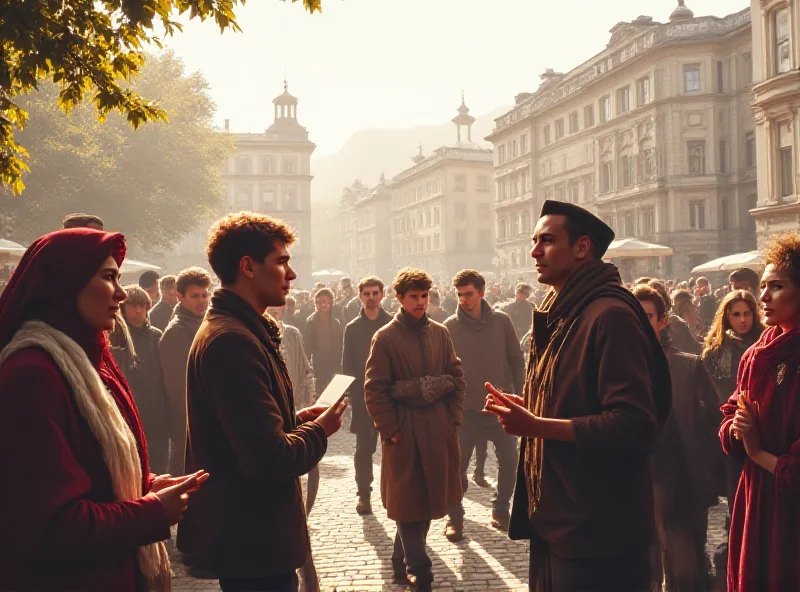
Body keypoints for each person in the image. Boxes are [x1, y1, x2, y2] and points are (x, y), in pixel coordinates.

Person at [0, 229, 207, 591]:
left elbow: (94, 472)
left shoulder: (93, 361)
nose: (122, 292)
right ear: (66, 284)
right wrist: (152, 511)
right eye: (108, 277)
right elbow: (53, 523)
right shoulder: (32, 376)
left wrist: (147, 484)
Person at [484, 200, 670, 592]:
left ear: (582, 247)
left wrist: (537, 425)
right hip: (560, 521)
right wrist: (531, 411)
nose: (534, 251)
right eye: (534, 241)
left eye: (547, 241)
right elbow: (575, 401)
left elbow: (633, 425)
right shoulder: (565, 311)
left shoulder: (609, 315)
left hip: (598, 534)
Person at [177, 212, 346, 592]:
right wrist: (319, 431)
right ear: (248, 267)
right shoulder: (232, 340)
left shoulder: (240, 329)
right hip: (253, 539)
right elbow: (269, 459)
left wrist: (295, 419)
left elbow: (249, 429)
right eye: (282, 262)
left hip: (254, 539)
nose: (291, 274)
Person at [365, 268, 465, 591]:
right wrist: (391, 429)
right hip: (405, 434)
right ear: (399, 298)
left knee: (426, 505)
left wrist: (452, 419)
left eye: (424, 297)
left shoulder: (440, 333)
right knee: (408, 504)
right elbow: (375, 390)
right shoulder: (385, 338)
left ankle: (399, 561)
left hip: (438, 432)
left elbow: (457, 378)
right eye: (413, 297)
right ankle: (421, 573)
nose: (420, 303)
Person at [720, 233, 800, 592]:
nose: (763, 296)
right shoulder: (756, 354)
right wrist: (736, 429)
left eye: (777, 286)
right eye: (763, 286)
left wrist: (756, 451)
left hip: (791, 520)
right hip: (754, 504)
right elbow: (729, 417)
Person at [633, 285, 720, 592]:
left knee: (685, 570)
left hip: (682, 475)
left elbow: (716, 418)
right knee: (645, 566)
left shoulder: (688, 365)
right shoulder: (615, 367)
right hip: (637, 477)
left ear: (663, 321)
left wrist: (706, 463)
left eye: (648, 316)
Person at [445, 269, 524, 540]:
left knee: (510, 461)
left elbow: (516, 359)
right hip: (465, 411)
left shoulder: (502, 321)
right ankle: (455, 517)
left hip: (500, 408)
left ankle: (501, 508)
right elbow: (443, 369)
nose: (464, 300)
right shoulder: (449, 327)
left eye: (468, 294)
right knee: (457, 468)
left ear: (481, 292)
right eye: (460, 295)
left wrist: (517, 393)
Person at [267, 304, 319, 592]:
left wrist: (308, 394)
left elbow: (305, 369)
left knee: (308, 472)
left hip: (295, 411)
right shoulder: (254, 336)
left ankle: (304, 517)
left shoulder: (293, 334)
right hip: (274, 421)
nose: (277, 310)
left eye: (281, 306)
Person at [702, 290, 766, 510]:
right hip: (727, 430)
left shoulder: (765, 344)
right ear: (727, 316)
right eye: (736, 314)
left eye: (747, 313)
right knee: (735, 496)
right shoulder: (715, 351)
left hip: (762, 429)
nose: (742, 320)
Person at [341, 276, 393, 515]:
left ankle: (394, 494)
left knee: (395, 448)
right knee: (364, 449)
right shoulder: (352, 328)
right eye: (367, 294)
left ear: (382, 295)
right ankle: (364, 494)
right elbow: (348, 365)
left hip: (392, 397)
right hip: (363, 399)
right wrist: (349, 398)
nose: (371, 298)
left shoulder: (394, 324)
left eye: (375, 293)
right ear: (360, 296)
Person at [159, 266, 212, 476]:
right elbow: (178, 391)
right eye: (195, 296)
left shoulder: (204, 324)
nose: (201, 301)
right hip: (192, 426)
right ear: (180, 296)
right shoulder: (176, 332)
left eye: (205, 295)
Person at [118, 285, 171, 474]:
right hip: (129, 413)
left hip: (157, 415)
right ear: (123, 307)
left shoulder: (156, 336)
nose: (138, 311)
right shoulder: (116, 337)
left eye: (141, 305)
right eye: (132, 305)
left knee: (159, 466)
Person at [303, 288, 343, 395]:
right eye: (321, 301)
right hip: (318, 362)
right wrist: (307, 367)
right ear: (316, 303)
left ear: (330, 303)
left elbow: (340, 345)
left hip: (334, 362)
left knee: (334, 394)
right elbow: (307, 346)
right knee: (320, 392)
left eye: (326, 301)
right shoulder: (310, 322)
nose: (324, 304)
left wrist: (340, 364)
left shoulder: (336, 322)